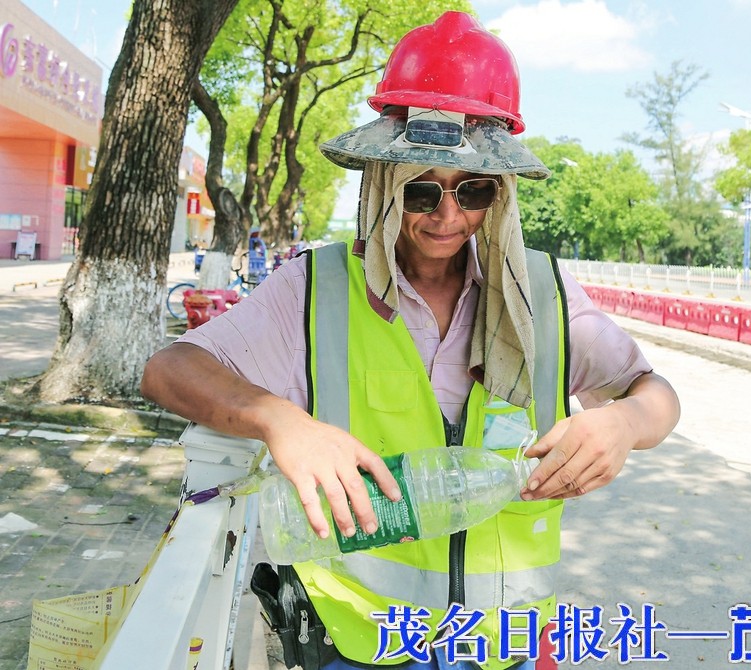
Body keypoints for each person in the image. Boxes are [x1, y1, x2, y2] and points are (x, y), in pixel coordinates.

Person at [141, 11, 679, 670]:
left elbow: (654, 394)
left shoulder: (544, 295)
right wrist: (280, 421)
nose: (448, 216)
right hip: (361, 641)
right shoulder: (316, 289)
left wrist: (625, 422)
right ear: (384, 183)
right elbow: (170, 369)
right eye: (422, 192)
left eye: (472, 190)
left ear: (500, 191)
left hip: (505, 644)